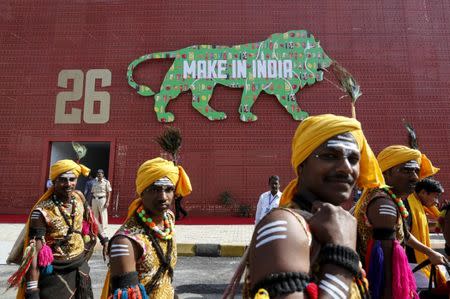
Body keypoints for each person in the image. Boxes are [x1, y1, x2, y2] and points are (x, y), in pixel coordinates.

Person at [225, 114, 385, 299]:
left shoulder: (329, 223)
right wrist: (342, 252)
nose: (346, 168)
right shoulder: (285, 225)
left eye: (354, 158)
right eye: (330, 156)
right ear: (302, 166)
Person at [7, 159, 109, 299]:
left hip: (80, 266)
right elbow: (34, 252)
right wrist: (32, 290)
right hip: (54, 274)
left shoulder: (79, 197)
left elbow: (91, 217)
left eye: (72, 179)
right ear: (54, 182)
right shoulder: (42, 211)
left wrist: (105, 239)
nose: (68, 184)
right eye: (63, 180)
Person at [354, 145, 446, 298]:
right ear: (386, 173)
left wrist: (430, 252)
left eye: (416, 171)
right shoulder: (384, 204)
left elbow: (404, 234)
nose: (415, 177)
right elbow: (387, 261)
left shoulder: (388, 198)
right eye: (406, 170)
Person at [101, 157, 192, 298]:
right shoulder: (125, 242)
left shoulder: (169, 218)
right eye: (155, 189)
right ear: (142, 192)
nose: (163, 197)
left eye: (168, 189)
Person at [405, 178, 446, 286]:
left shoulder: (418, 206)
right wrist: (430, 252)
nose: (437, 202)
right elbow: (405, 235)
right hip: (411, 264)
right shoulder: (407, 206)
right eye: (435, 196)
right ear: (423, 192)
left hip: (417, 263)